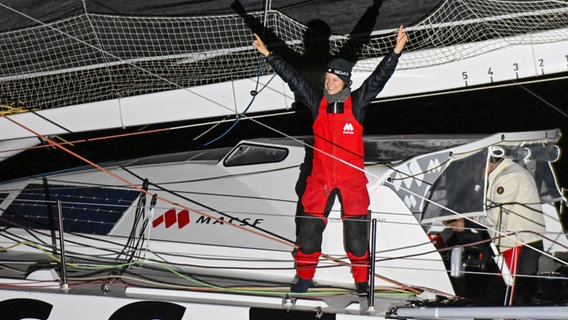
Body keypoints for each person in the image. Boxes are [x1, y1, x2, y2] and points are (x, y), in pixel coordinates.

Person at [252, 26, 408, 295]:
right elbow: (293, 78)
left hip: (351, 180)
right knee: (309, 235)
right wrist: (268, 55)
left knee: (357, 240)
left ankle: (361, 281)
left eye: (333, 79)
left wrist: (394, 53)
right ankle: (304, 278)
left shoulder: (357, 103)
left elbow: (377, 80)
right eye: (326, 78)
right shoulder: (316, 103)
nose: (328, 82)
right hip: (320, 178)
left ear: (345, 81)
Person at [445, 157, 546, 305]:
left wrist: (465, 223)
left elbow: (496, 218)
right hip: (513, 243)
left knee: (514, 294)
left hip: (519, 244)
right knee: (505, 291)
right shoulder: (503, 174)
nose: (473, 173)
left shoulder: (508, 177)